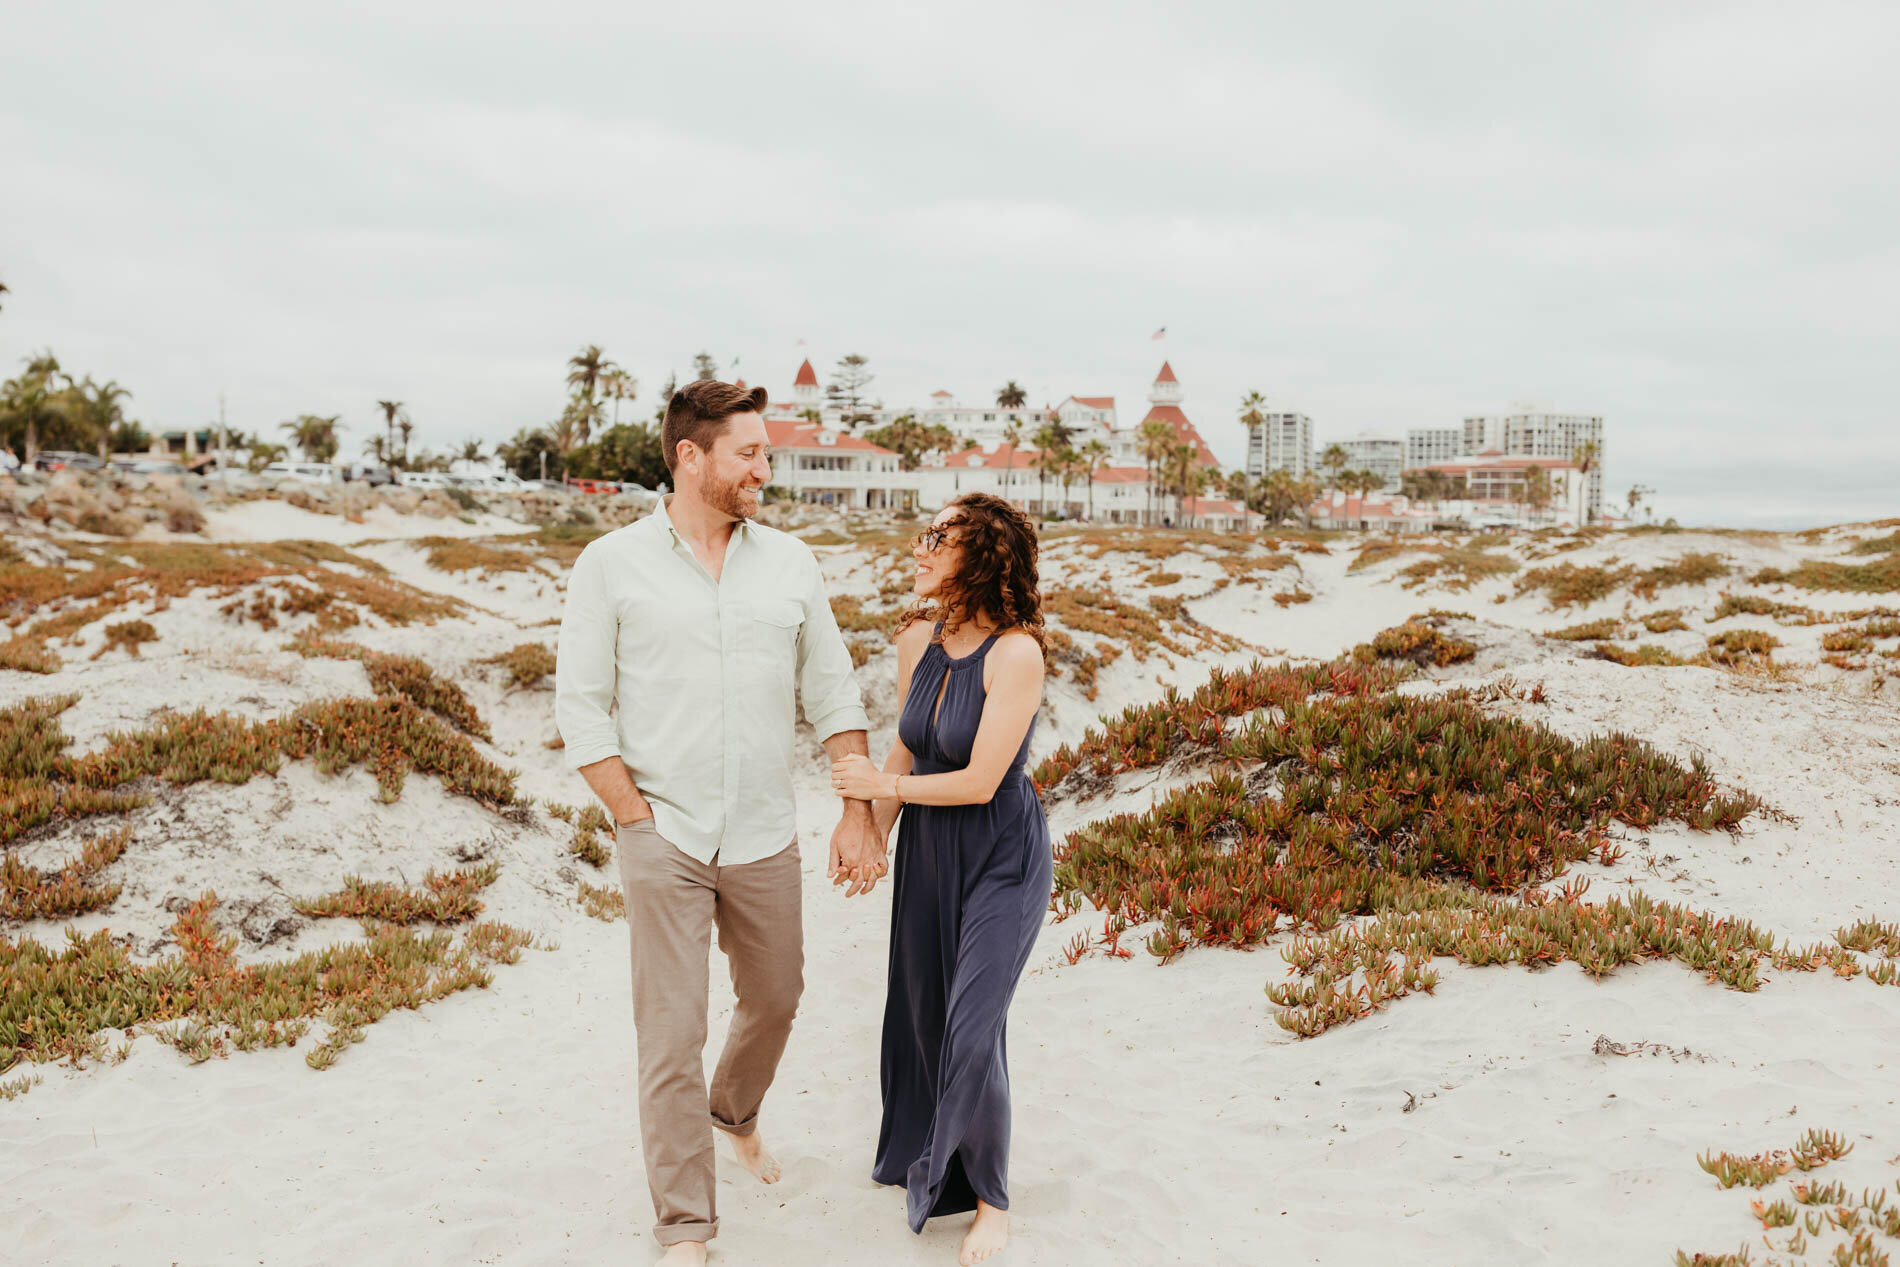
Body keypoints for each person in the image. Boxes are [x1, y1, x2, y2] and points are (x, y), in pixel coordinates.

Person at [555, 378, 888, 1265]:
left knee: (777, 996)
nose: (765, 469)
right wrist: (633, 819)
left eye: (767, 452)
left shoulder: (790, 564)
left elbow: (831, 690)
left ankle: (732, 1111)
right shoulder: (610, 565)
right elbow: (582, 710)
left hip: (765, 832)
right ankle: (686, 1228)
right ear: (690, 457)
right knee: (670, 1031)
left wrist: (859, 810)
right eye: (750, 452)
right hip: (662, 831)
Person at [830, 492, 1052, 1266]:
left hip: (1000, 854)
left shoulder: (1017, 653)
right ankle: (941, 1165)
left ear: (982, 557)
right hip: (928, 850)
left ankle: (991, 1200)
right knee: (925, 1015)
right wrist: (868, 832)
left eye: (938, 538)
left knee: (972, 1021)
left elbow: (981, 780)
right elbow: (909, 748)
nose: (919, 548)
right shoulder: (917, 638)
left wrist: (882, 791)